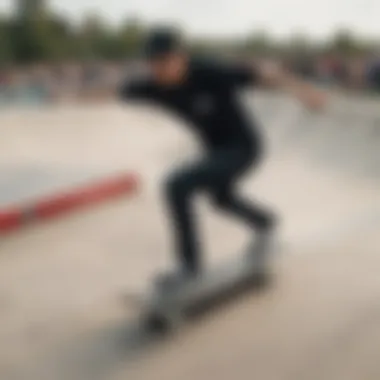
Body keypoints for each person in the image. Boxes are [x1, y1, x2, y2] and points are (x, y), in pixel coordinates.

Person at [84, 27, 327, 285]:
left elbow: (263, 76)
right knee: (220, 199)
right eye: (154, 64)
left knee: (176, 185)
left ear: (182, 57)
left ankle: (190, 266)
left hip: (243, 147)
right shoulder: (152, 87)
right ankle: (265, 222)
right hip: (214, 152)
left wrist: (304, 91)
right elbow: (112, 92)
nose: (161, 70)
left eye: (166, 62)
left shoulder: (210, 72)